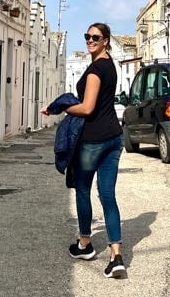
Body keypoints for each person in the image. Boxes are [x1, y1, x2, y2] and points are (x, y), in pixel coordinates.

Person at [42, 22, 126, 279]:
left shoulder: (94, 71)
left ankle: (85, 244)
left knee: (82, 189)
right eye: (87, 36)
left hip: (93, 140)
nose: (90, 40)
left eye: (96, 37)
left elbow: (87, 108)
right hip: (115, 138)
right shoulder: (110, 65)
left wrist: (62, 107)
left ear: (106, 40)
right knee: (108, 195)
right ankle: (116, 257)